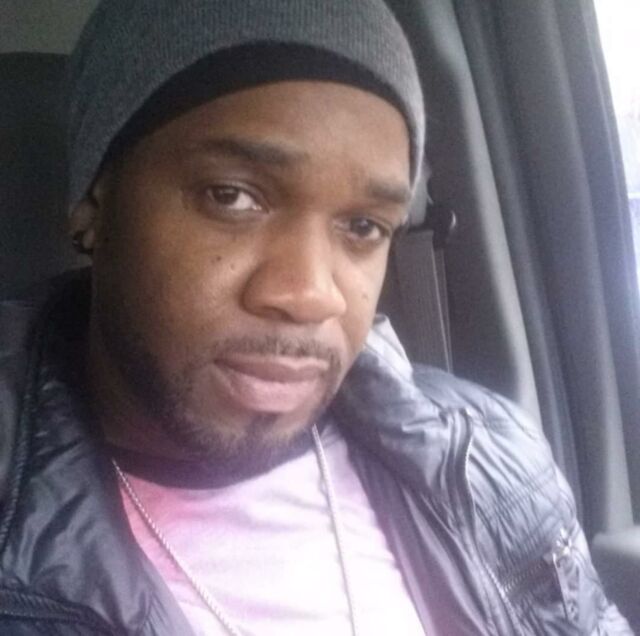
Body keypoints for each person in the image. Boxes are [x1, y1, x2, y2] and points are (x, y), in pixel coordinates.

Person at [0, 1, 632, 634]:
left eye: (363, 227)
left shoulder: (487, 452)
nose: (310, 295)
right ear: (94, 202)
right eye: (232, 196)